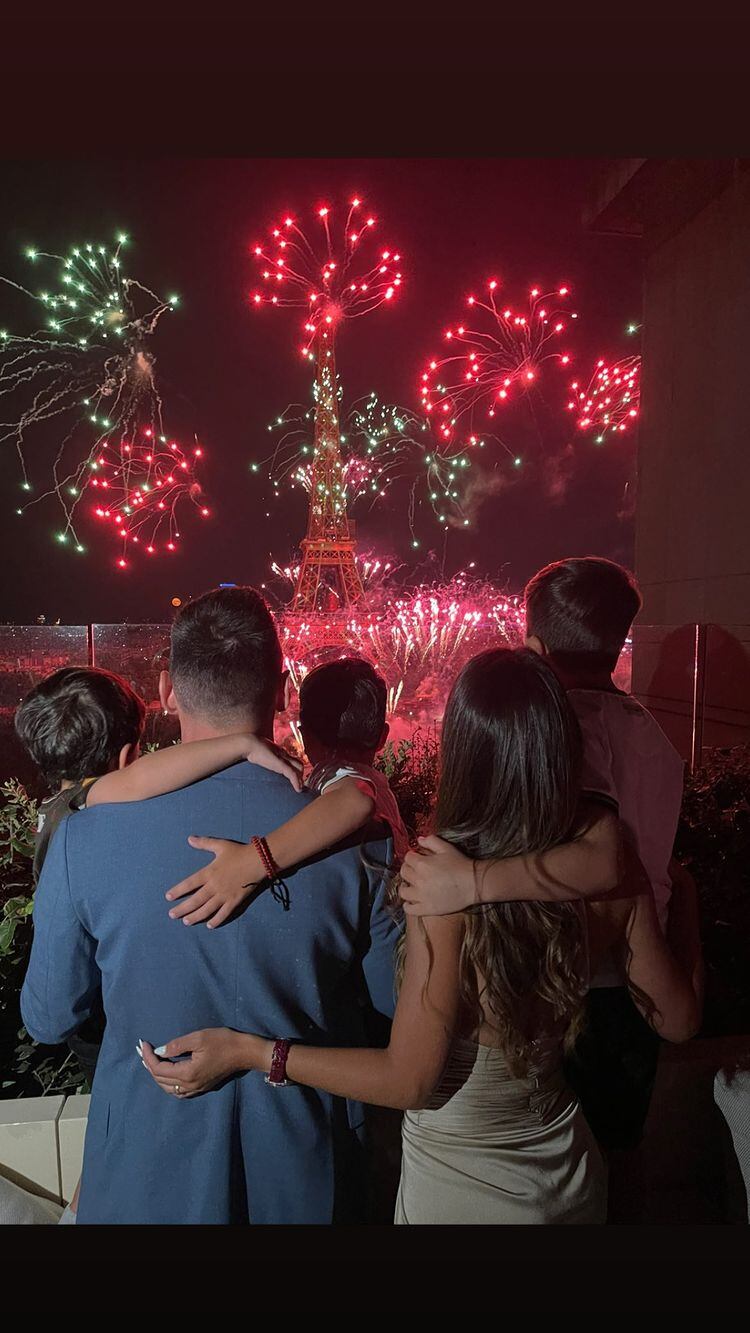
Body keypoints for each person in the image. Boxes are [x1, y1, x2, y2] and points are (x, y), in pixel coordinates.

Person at [141, 648, 702, 1225]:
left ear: (462, 752)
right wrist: (684, 901)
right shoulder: (611, 868)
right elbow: (679, 1021)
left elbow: (408, 1080)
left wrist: (252, 1050)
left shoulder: (442, 885)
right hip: (569, 1171)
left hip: (462, 1187)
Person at [21, 586, 400, 1224]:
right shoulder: (351, 833)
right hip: (307, 1176)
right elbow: (396, 1004)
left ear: (166, 688)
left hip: (141, 1179)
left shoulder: (85, 836)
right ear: (282, 690)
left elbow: (51, 1016)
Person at [398, 557, 691, 1215]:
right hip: (639, 969)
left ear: (534, 647)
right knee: (621, 1159)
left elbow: (600, 861)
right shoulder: (656, 738)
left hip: (563, 972)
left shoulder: (561, 735)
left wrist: (469, 879)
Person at [162, 656, 409, 929]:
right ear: (383, 736)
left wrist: (253, 862)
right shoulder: (381, 785)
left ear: (304, 735)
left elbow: (356, 798)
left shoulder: (335, 776)